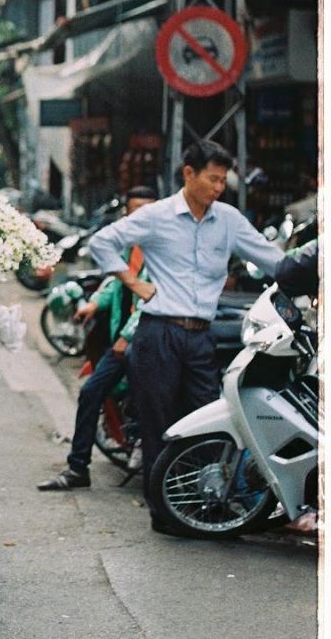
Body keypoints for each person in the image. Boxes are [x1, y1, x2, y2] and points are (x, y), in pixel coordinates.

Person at [88, 139, 285, 534]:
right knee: (158, 420)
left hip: (200, 337)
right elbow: (102, 242)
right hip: (158, 332)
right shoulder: (158, 215)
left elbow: (274, 260)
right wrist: (131, 281)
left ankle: (203, 502)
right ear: (189, 174)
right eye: (212, 179)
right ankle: (165, 515)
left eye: (223, 180)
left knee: (207, 418)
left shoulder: (228, 220)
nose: (218, 188)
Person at [37, 187, 157, 491]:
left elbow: (155, 297)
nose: (142, 215)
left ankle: (153, 463)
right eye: (136, 209)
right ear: (127, 214)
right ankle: (78, 468)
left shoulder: (162, 248)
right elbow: (114, 282)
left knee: (148, 400)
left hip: (150, 340)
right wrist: (94, 304)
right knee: (91, 392)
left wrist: (128, 336)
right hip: (124, 339)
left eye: (148, 209)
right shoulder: (127, 246)